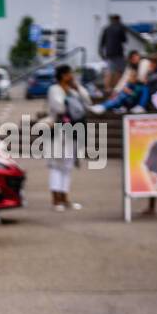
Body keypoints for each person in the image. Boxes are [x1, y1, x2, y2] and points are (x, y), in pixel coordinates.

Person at [45, 64, 90, 212]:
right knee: (56, 165)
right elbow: (59, 108)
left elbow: (87, 103)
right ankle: (55, 199)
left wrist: (78, 89)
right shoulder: (54, 90)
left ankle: (65, 197)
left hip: (73, 130)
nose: (72, 77)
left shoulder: (73, 90)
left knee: (68, 166)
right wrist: (68, 99)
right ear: (63, 75)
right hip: (58, 130)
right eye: (69, 74)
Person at [99, 14, 129, 94]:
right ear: (118, 19)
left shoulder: (106, 28)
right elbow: (124, 40)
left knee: (109, 71)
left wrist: (101, 52)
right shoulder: (121, 27)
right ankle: (116, 88)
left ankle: (107, 88)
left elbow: (102, 42)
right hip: (118, 52)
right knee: (119, 71)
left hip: (109, 53)